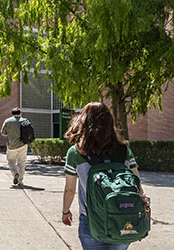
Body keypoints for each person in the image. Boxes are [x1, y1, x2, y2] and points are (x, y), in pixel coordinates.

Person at [61, 102, 144, 250]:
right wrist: (139, 214)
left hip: (91, 219)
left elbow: (69, 190)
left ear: (83, 122)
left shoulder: (76, 152)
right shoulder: (124, 150)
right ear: (110, 122)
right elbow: (137, 185)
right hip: (123, 217)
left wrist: (65, 212)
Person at [0, 107, 29, 186]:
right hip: (23, 144)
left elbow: (3, 133)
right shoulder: (25, 121)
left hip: (11, 145)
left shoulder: (8, 121)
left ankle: (15, 173)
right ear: (20, 113)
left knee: (11, 161)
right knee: (21, 163)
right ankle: (20, 181)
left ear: (12, 114)